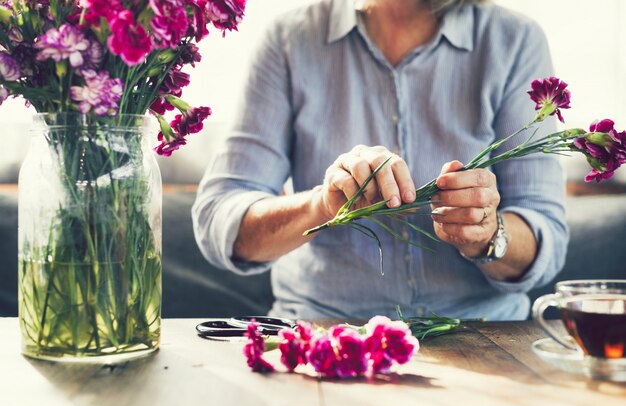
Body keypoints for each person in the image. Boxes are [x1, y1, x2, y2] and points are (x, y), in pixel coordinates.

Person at [192, 0, 568, 320]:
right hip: (323, 335)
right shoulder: (290, 40)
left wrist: (487, 233)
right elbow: (220, 220)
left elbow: (545, 239)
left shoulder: (514, 41)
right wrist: (322, 205)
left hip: (482, 336)